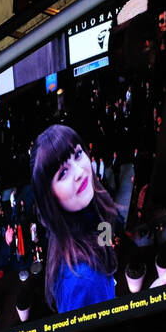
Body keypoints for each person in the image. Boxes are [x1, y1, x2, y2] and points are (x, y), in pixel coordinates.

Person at [31, 124, 123, 314]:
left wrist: (108, 262)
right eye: (63, 173)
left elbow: (105, 245)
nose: (79, 172)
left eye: (78, 154)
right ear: (50, 198)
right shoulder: (84, 280)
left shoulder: (94, 210)